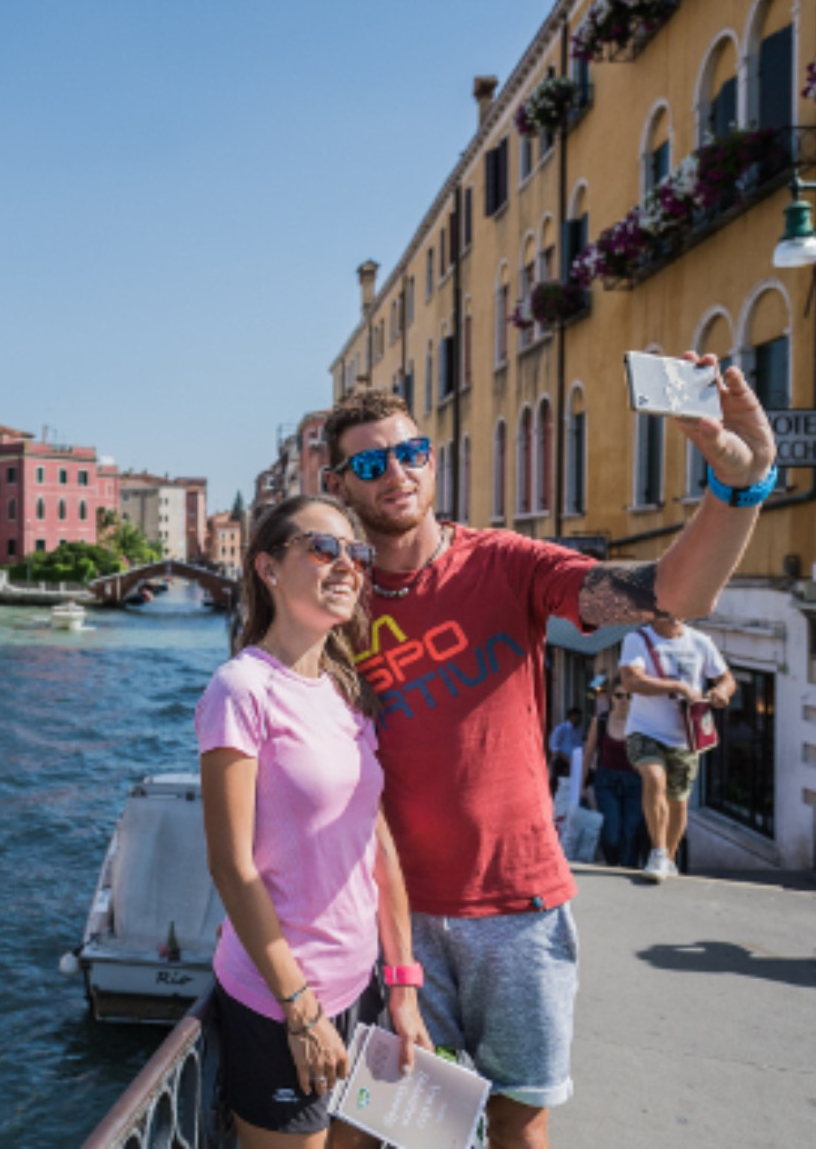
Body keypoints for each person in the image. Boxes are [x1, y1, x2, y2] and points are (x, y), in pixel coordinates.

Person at [319, 358, 775, 1149]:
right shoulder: (333, 600)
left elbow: (674, 593)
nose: (395, 472)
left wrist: (742, 486)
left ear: (430, 458)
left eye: (410, 452)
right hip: (387, 913)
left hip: (517, 905)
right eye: (369, 463)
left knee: (518, 1124)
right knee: (373, 1126)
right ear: (341, 484)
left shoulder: (508, 564)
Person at [198, 495, 432, 1148]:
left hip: (361, 987)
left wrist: (403, 987)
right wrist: (299, 1011)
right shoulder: (241, 691)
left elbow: (376, 845)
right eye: (323, 549)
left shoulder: (343, 689)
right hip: (280, 1004)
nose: (348, 566)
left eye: (355, 554)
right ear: (268, 569)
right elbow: (231, 865)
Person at [618, 616, 734, 883]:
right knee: (654, 777)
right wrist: (679, 686)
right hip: (644, 729)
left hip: (685, 736)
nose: (674, 612)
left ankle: (668, 859)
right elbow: (631, 681)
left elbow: (727, 678)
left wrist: (721, 692)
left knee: (679, 801)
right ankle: (657, 852)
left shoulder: (701, 642)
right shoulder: (638, 639)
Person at [583, 679, 643, 868]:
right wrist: (581, 787)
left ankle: (628, 872)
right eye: (619, 695)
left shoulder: (642, 723)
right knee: (612, 834)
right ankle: (612, 862)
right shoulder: (600, 721)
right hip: (607, 783)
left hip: (635, 783)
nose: (624, 700)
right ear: (611, 698)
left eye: (629, 696)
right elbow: (588, 753)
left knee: (631, 832)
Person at [547, 707, 584, 797]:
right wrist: (565, 758)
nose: (579, 719)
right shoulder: (562, 729)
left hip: (574, 762)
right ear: (571, 716)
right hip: (562, 760)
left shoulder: (579, 730)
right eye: (577, 716)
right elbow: (553, 746)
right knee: (558, 785)